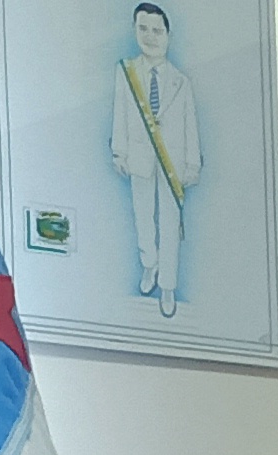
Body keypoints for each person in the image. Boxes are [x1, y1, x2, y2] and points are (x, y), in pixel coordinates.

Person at [107, 2, 199, 319]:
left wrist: (192, 164)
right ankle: (149, 264)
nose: (150, 36)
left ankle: (168, 285)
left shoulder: (180, 81)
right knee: (143, 218)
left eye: (157, 30)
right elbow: (120, 112)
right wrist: (119, 151)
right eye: (143, 29)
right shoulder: (127, 73)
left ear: (168, 35)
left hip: (173, 162)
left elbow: (189, 124)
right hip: (139, 156)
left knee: (170, 224)